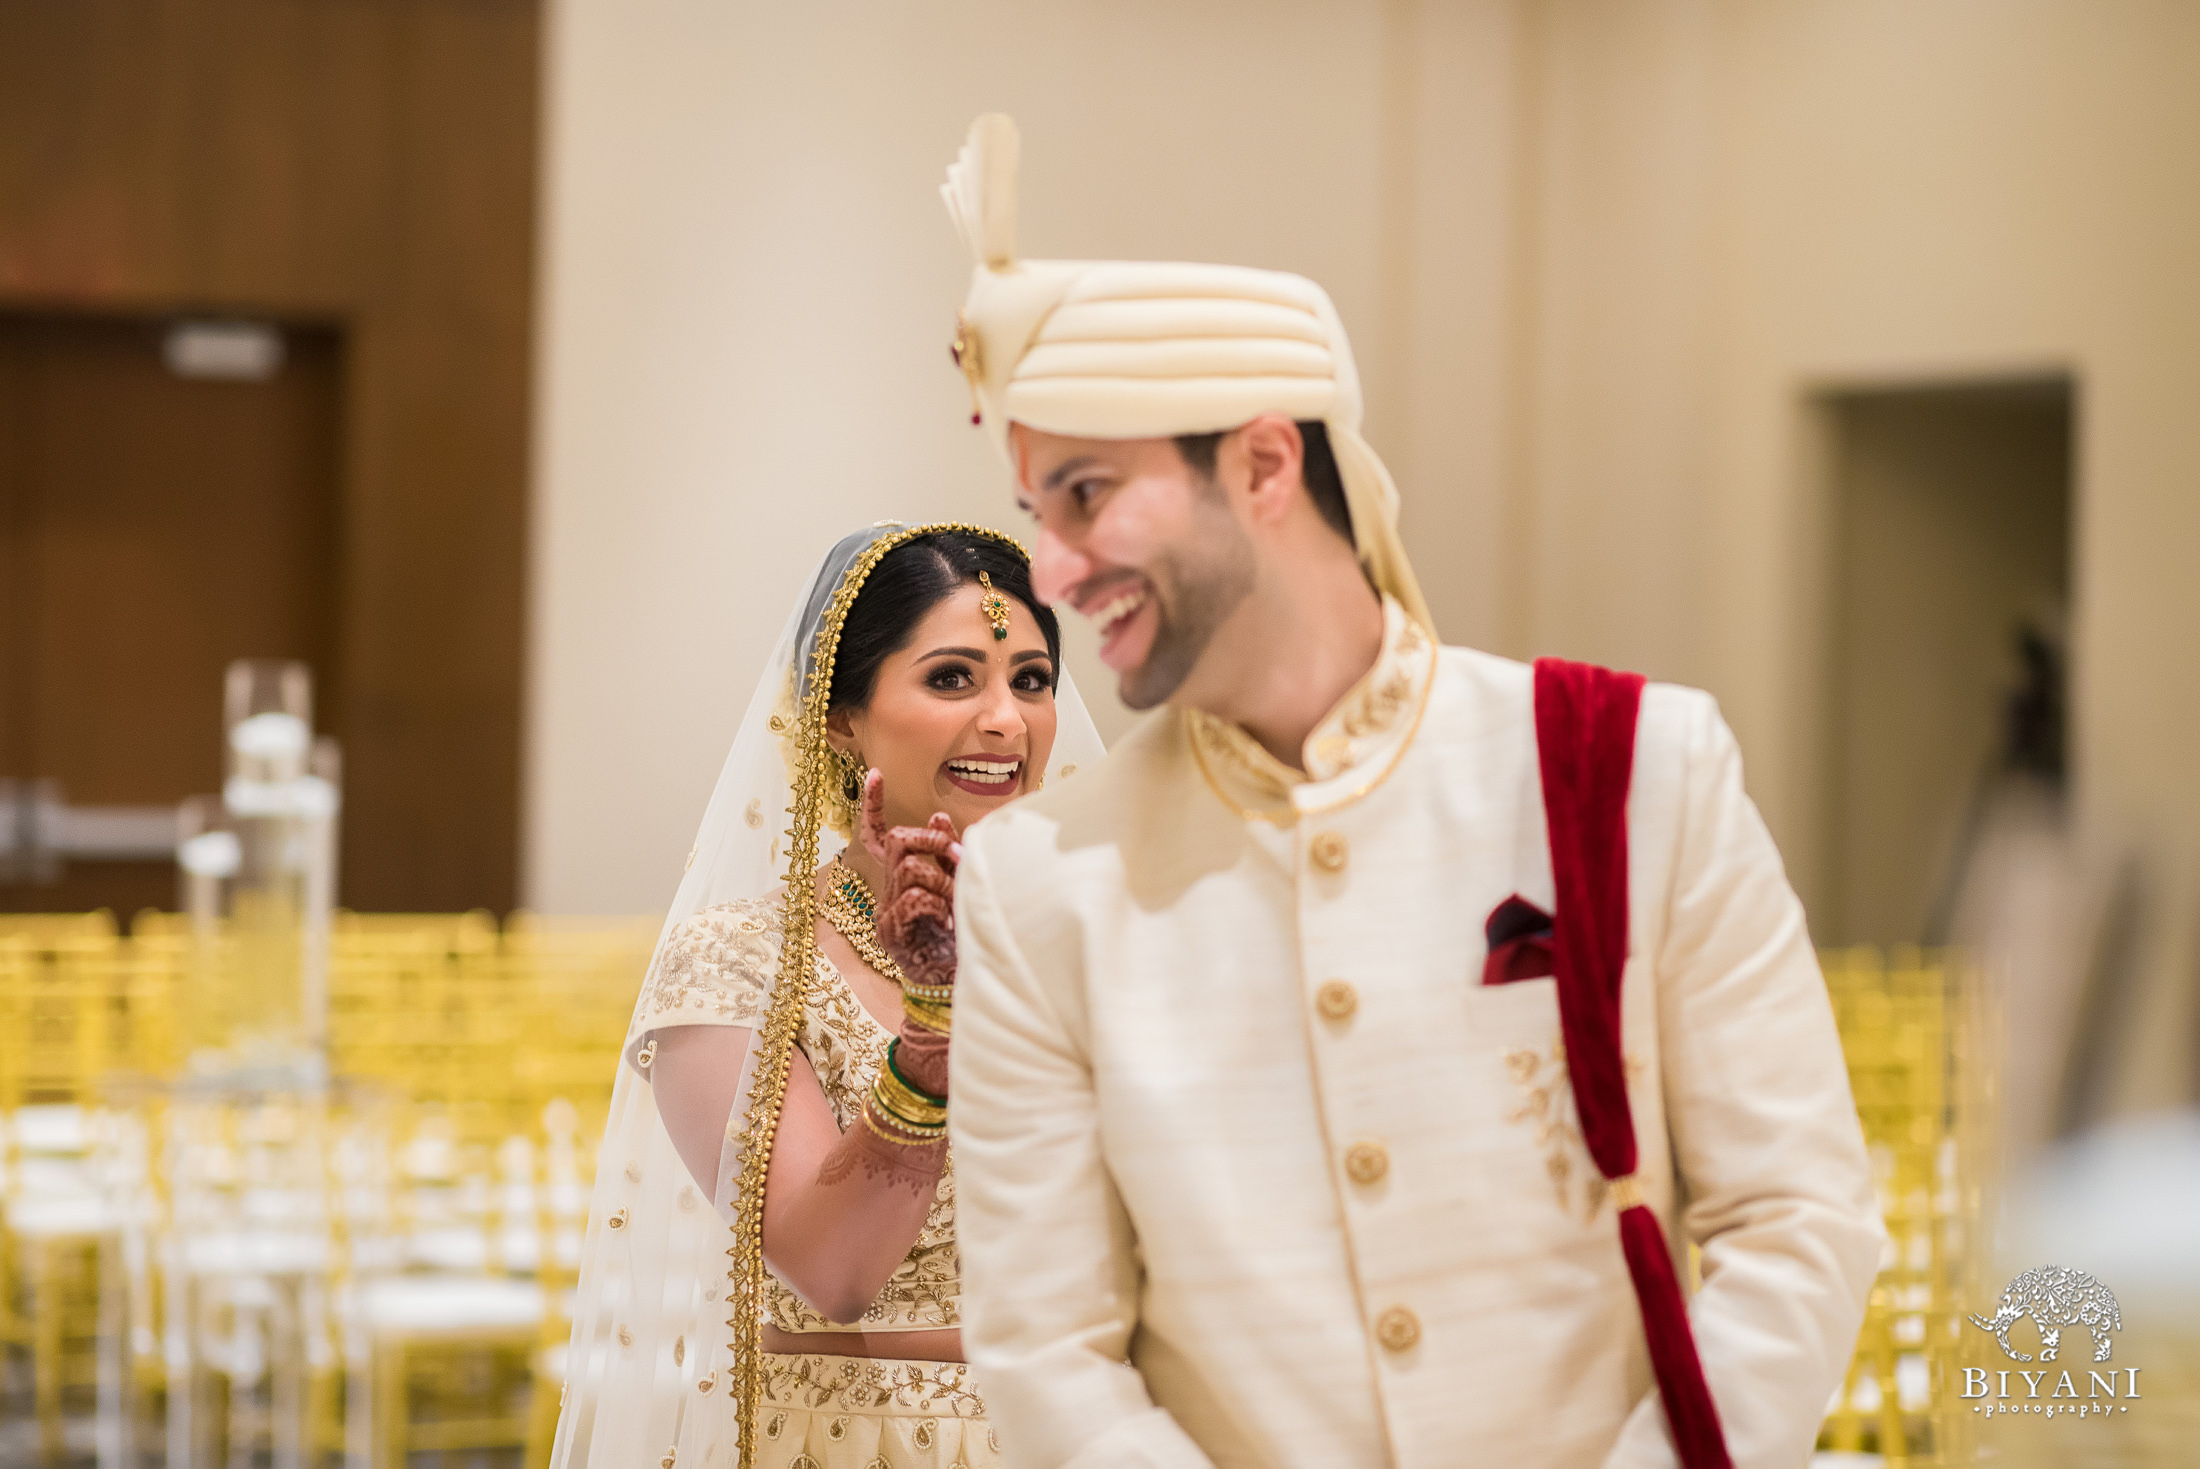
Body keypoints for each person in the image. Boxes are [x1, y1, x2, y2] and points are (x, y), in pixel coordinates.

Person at [915, 116, 1887, 1469]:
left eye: (1084, 494)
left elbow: (1801, 1222)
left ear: (1262, 465)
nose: (1055, 574)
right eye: (1035, 514)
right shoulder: (1040, 885)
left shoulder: (1635, 765)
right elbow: (1045, 1349)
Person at [548, 523, 1108, 1469]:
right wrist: (932, 1031)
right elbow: (833, 1270)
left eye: (1032, 680)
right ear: (841, 716)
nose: (1008, 720)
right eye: (952, 678)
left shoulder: (1106, 945)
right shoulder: (739, 964)